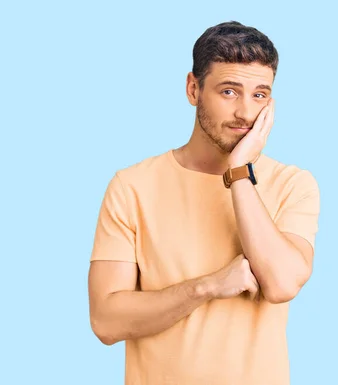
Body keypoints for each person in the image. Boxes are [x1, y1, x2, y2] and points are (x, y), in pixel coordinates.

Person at [87, 20, 320, 385]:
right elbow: (105, 321)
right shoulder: (132, 186)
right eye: (229, 92)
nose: (246, 112)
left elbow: (281, 284)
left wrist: (239, 171)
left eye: (260, 94)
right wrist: (208, 287)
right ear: (193, 88)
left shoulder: (293, 184)